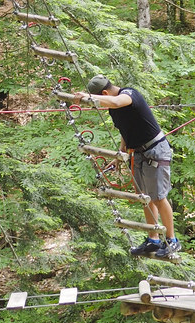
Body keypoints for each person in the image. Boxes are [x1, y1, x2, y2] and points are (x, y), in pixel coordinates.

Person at [75, 75, 181, 259]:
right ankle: (153, 239)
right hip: (138, 152)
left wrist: (88, 97)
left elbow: (117, 102)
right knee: (145, 197)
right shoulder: (114, 109)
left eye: (102, 99)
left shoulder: (129, 94)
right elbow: (125, 129)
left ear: (105, 93)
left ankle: (172, 240)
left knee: (158, 197)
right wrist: (121, 152)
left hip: (155, 150)